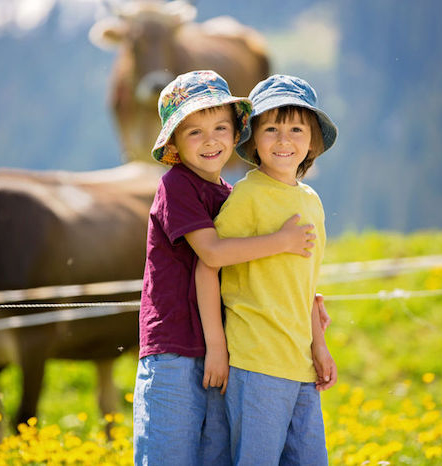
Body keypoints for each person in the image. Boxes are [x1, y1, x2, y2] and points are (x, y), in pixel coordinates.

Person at [133, 70, 320, 466]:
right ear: (174, 144)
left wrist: (302, 300)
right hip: (174, 347)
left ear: (237, 135)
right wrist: (283, 242)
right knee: (169, 453)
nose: (211, 139)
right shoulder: (177, 186)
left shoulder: (230, 195)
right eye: (194, 132)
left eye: (220, 127)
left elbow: (245, 268)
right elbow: (213, 255)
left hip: (225, 349)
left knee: (211, 455)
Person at [196, 74, 339, 465]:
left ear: (312, 140)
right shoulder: (248, 196)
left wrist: (319, 346)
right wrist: (217, 346)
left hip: (300, 364)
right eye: (271, 128)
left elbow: (304, 285)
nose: (283, 140)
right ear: (253, 138)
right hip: (256, 362)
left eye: (296, 128)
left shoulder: (311, 201)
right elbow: (209, 263)